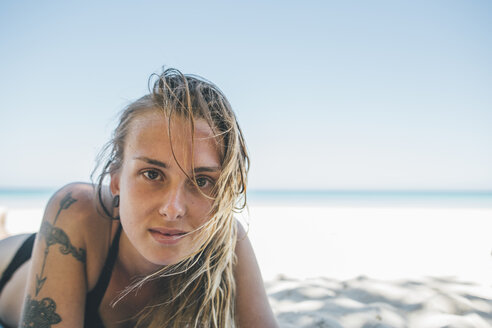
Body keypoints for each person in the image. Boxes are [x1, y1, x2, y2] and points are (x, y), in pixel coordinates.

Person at [0, 68, 278, 327]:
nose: (173, 209)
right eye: (152, 174)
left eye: (202, 180)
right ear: (117, 179)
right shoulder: (77, 208)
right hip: (12, 263)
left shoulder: (226, 239)